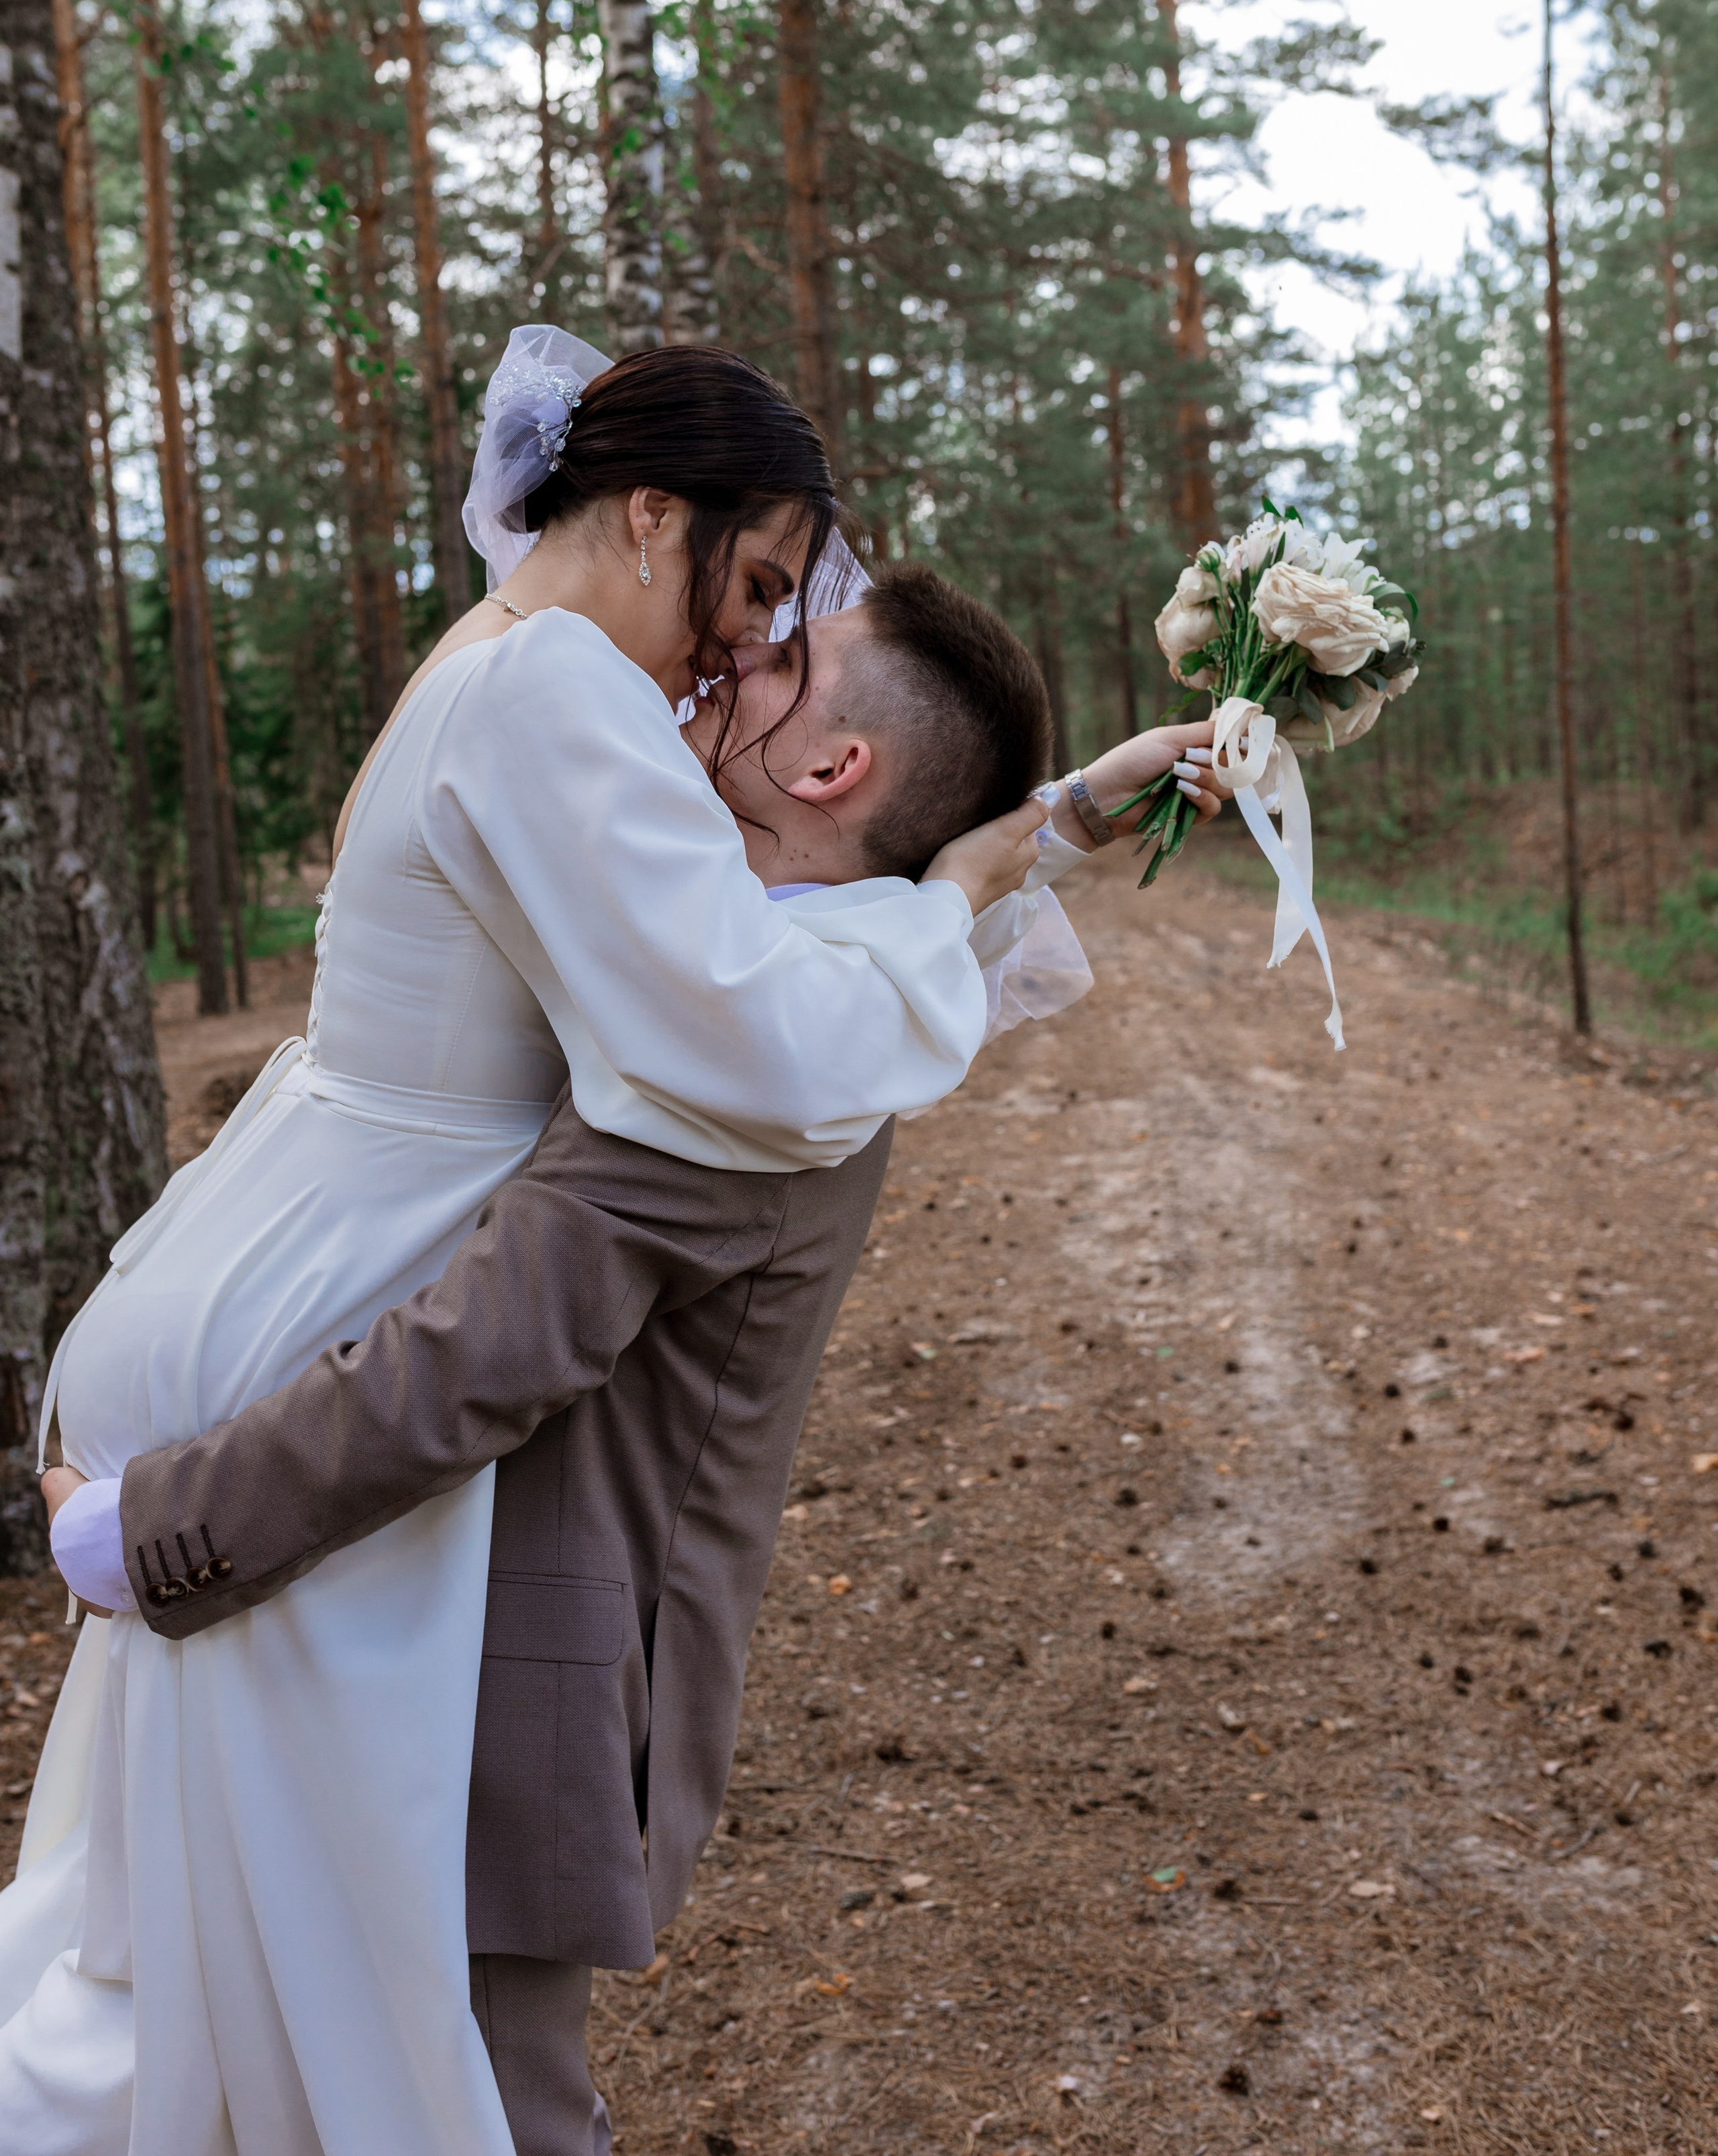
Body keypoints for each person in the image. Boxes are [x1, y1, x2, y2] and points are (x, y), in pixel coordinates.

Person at [0, 330, 1058, 2156]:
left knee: (191, 1992)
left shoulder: (488, 658)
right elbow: (758, 1037)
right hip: (324, 1404)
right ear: (652, 514)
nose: (749, 648)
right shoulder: (560, 690)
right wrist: (951, 900)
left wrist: (1045, 820)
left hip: (269, 1309)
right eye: (755, 588)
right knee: (336, 2036)